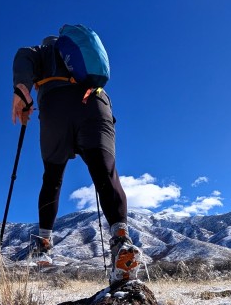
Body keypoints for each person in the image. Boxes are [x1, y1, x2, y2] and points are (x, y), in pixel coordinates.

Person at [11, 30, 140, 283]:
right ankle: (121, 240)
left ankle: (44, 244)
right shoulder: (86, 60)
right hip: (95, 103)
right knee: (106, 173)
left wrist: (22, 90)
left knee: (53, 177)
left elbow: (22, 56)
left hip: (55, 110)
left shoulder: (40, 52)